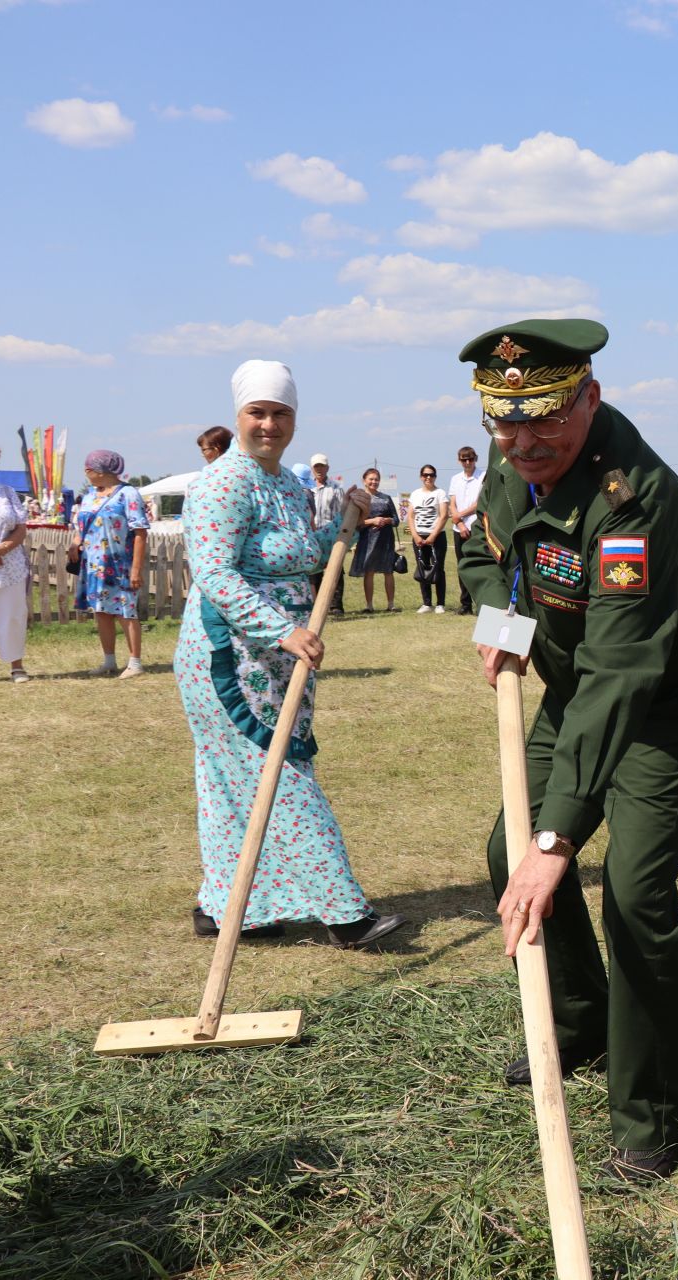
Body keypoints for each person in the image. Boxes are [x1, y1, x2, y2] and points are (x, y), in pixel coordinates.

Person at [457, 319, 678, 1185]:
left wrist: (560, 842)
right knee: (507, 845)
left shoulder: (635, 498)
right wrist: (499, 623)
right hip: (581, 683)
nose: (523, 442)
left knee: (633, 889)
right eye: (505, 423)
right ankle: (579, 1022)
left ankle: (657, 1114)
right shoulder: (516, 462)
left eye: (544, 418)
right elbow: (484, 552)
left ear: (592, 396)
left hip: (669, 697)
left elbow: (627, 668)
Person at [179, 360, 406, 947]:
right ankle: (345, 913)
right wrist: (279, 629)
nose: (268, 425)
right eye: (257, 412)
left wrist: (346, 526)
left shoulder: (284, 483)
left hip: (286, 652)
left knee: (237, 778)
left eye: (280, 413)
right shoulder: (220, 483)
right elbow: (214, 574)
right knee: (276, 774)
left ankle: (229, 907)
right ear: (238, 416)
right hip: (232, 652)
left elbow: (302, 556)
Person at [73, 449, 149, 679]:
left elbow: (140, 532)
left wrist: (136, 568)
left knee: (126, 612)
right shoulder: (88, 496)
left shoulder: (128, 494)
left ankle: (135, 663)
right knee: (101, 611)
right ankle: (109, 661)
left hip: (120, 564)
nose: (86, 474)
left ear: (99, 471)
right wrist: (75, 542)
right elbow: (80, 525)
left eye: (89, 469)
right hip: (93, 564)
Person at [0, 447, 28, 682]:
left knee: (13, 615)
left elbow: (21, 527)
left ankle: (16, 665)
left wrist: (3, 548)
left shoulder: (7, 492)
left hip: (10, 565)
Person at [350, 467, 400, 611]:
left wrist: (387, 520)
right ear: (364, 481)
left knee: (388, 571)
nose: (374, 482)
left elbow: (396, 520)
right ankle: (369, 606)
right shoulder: (359, 499)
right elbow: (355, 523)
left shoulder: (386, 498)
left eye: (376, 479)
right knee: (369, 572)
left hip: (386, 540)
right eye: (371, 479)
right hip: (367, 540)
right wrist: (372, 521)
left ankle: (391, 605)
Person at [448, 444, 485, 614]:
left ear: (475, 459)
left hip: (477, 527)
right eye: (464, 459)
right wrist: (459, 523)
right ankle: (465, 604)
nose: (468, 462)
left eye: (470, 459)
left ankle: (482, 603)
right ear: (459, 461)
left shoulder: (483, 476)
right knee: (462, 565)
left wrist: (459, 516)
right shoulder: (456, 479)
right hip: (459, 528)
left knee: (479, 566)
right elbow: (452, 503)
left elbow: (479, 503)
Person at [408, 464, 449, 613]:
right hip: (418, 536)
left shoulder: (440, 493)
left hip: (437, 536)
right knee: (422, 567)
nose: (428, 477)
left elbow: (444, 516)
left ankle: (440, 604)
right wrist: (415, 536)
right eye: (425, 475)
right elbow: (411, 516)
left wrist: (432, 536)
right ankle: (427, 603)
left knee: (438, 568)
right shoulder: (415, 494)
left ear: (435, 476)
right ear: (421, 477)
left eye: (431, 475)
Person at [309, 454, 347, 612]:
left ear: (327, 468)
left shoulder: (336, 488)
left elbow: (342, 513)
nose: (319, 469)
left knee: (335, 569)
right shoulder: (307, 488)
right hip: (312, 535)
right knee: (313, 571)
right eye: (316, 466)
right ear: (312, 469)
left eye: (322, 466)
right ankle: (317, 605)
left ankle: (335, 605)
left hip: (331, 534)